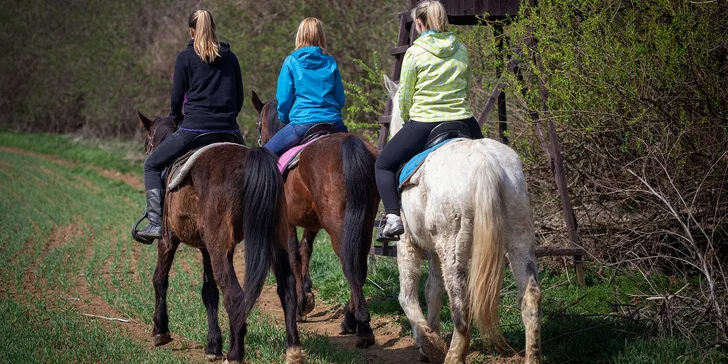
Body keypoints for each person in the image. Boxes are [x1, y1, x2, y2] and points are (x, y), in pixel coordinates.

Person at [375, 0, 484, 241]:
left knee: (383, 165)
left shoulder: (415, 52)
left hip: (425, 123)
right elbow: (466, 87)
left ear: (420, 24)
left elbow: (404, 96)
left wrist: (406, 120)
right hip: (464, 120)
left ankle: (393, 218)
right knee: (488, 163)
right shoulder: (462, 49)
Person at [137, 9, 245, 241]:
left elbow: (177, 99)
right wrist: (227, 118)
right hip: (229, 130)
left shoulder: (184, 59)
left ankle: (156, 223)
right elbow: (239, 98)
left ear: (191, 31)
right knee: (260, 167)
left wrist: (176, 117)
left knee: (152, 166)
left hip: (194, 130)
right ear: (214, 28)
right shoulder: (232, 58)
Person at [264, 17, 348, 156]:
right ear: (321, 36)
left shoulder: (291, 62)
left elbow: (284, 100)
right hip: (334, 123)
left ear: (299, 35)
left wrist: (284, 119)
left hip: (302, 124)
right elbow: (340, 100)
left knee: (263, 155)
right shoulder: (330, 62)